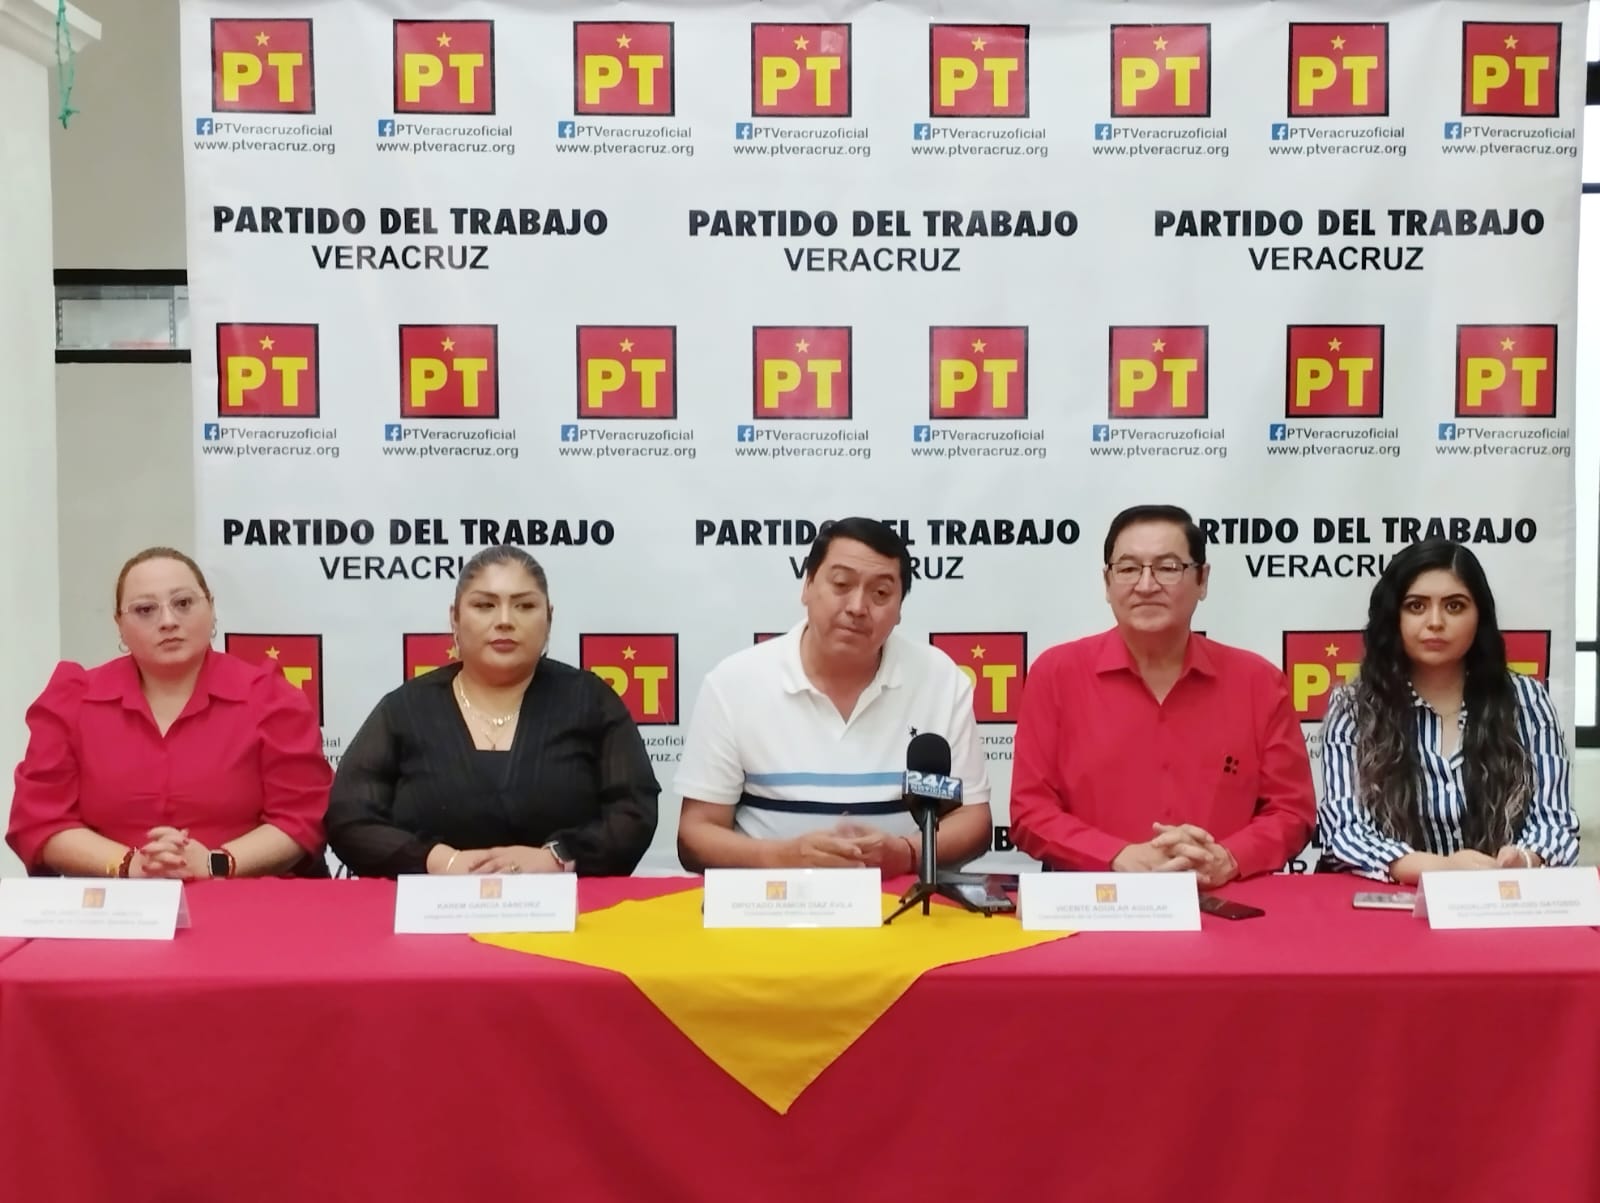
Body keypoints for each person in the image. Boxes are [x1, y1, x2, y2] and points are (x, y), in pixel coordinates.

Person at [1009, 505, 1315, 885]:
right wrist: (1116, 856)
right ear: (1107, 582)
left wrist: (1228, 858)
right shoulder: (1056, 675)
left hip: (1228, 901)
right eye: (1128, 568)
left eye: (1168, 568)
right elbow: (1030, 811)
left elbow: (1291, 811)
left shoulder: (1259, 682)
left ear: (1202, 580)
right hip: (1096, 900)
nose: (1146, 585)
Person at [676, 517, 991, 873]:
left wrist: (907, 854)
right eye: (841, 584)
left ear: (900, 609)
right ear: (807, 586)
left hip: (899, 896)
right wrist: (783, 858)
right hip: (772, 898)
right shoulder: (735, 682)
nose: (857, 607)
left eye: (881, 593)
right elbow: (696, 833)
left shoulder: (939, 679)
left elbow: (973, 819)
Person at [327, 545, 659, 877]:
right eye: (484, 605)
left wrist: (557, 859)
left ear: (549, 617)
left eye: (524, 606)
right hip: (429, 903)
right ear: (455, 617)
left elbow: (634, 812)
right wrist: (440, 861)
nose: (504, 621)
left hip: (571, 904)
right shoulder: (406, 710)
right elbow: (350, 819)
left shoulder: (590, 701)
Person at [8, 547, 329, 879]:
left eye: (183, 603)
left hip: (244, 894)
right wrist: (130, 864)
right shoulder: (73, 701)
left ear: (211, 607)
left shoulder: (271, 698)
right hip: (114, 899)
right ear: (119, 624)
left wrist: (214, 863)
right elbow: (41, 820)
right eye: (145, 610)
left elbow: (300, 817)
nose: (168, 621)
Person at [1319, 538, 1578, 882]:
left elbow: (1555, 823)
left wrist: (1523, 860)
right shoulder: (1353, 708)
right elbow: (1343, 833)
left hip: (1500, 896)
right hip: (1395, 899)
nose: (1435, 622)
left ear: (1479, 617)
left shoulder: (1527, 700)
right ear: (1393, 617)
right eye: (1416, 606)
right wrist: (1441, 870)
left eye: (1454, 606)